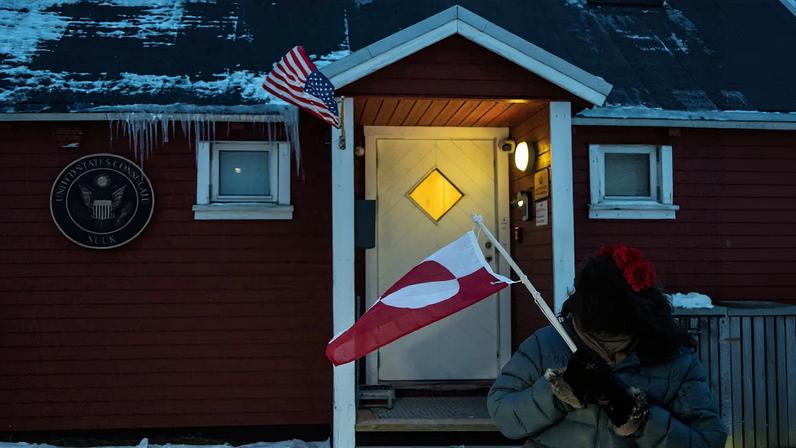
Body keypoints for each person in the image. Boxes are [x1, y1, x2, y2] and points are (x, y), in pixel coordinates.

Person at [487, 245, 727, 447]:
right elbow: (503, 414)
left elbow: (708, 440)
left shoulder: (672, 358)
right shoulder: (547, 344)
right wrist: (556, 396)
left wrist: (641, 420)